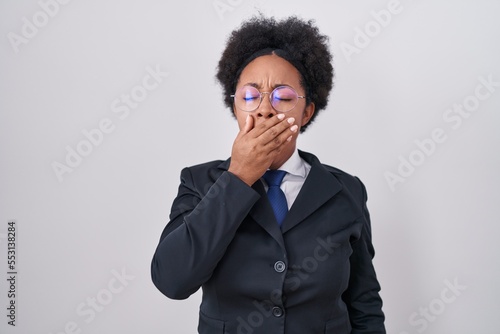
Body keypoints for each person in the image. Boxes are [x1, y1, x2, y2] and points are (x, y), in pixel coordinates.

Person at [151, 15, 385, 334]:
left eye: (283, 97)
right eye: (250, 96)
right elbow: (172, 281)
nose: (264, 109)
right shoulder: (199, 183)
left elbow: (364, 303)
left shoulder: (347, 190)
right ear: (235, 107)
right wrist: (237, 178)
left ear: (306, 112)